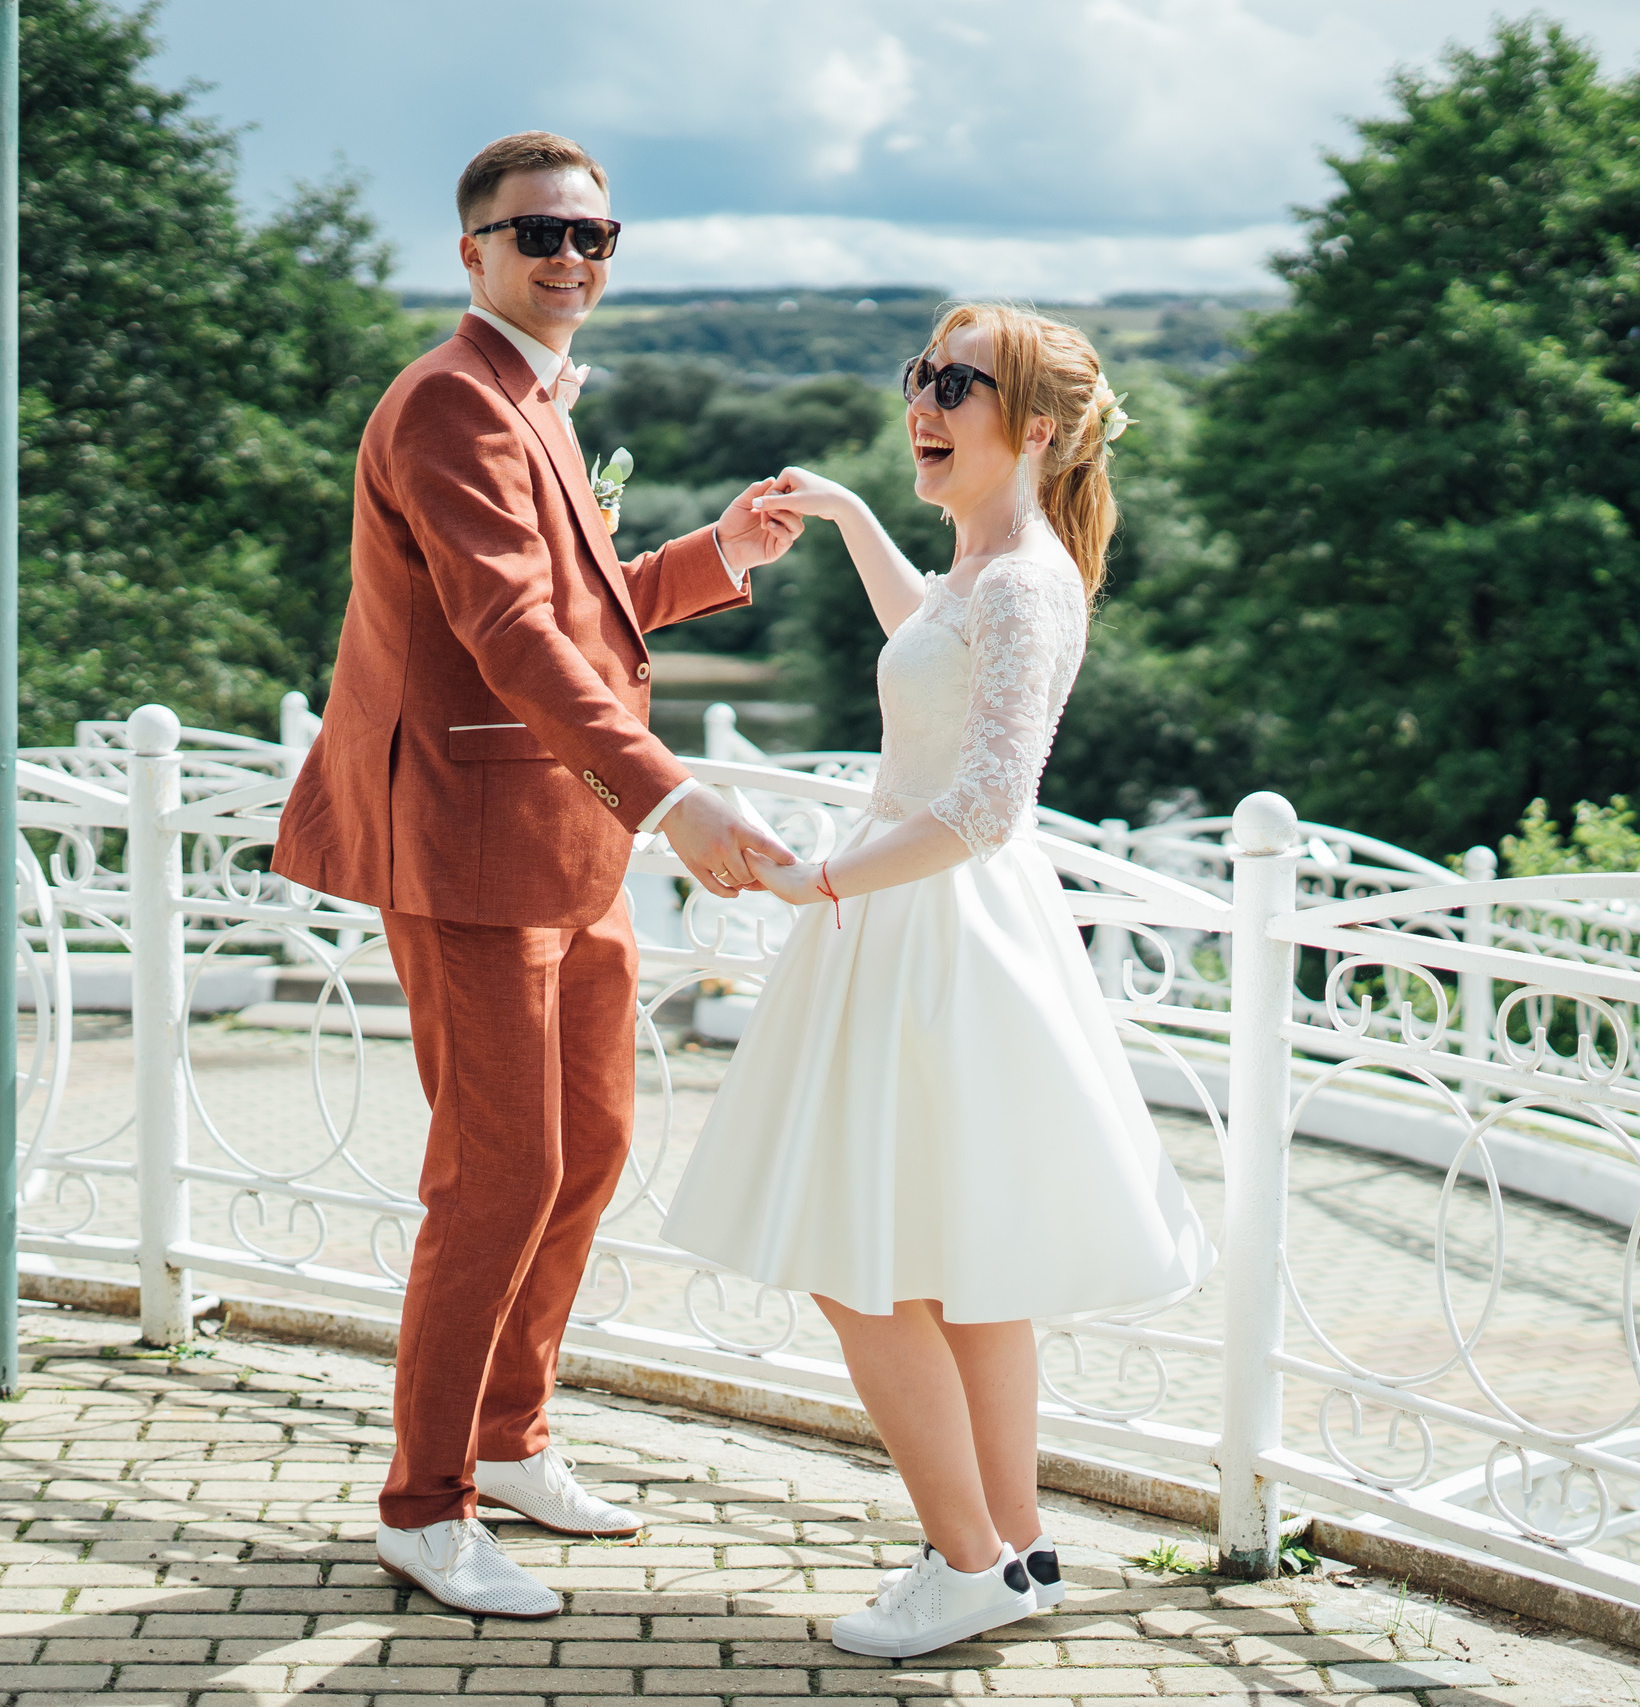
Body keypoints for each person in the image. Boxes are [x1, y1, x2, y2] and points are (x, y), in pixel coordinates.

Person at [270, 131, 802, 1620]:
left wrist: (717, 552)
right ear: (474, 253)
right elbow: (513, 638)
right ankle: (422, 1506)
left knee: (585, 1153)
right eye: (539, 236)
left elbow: (585, 611)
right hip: (468, 841)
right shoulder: (449, 400)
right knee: (496, 1175)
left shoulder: (533, 402)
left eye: (595, 238)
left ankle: (507, 1444)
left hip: (566, 841)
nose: (571, 259)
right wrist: (674, 794)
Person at [659, 302, 1217, 1659]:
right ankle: (1013, 1554)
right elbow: (931, 648)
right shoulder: (984, 570)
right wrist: (856, 519)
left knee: (861, 1261)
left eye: (954, 383)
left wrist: (819, 883)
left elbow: (984, 808)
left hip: (935, 933)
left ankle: (965, 1560)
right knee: (963, 1267)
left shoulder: (1026, 579)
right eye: (918, 374)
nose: (923, 399)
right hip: (917, 926)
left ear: (1031, 427)